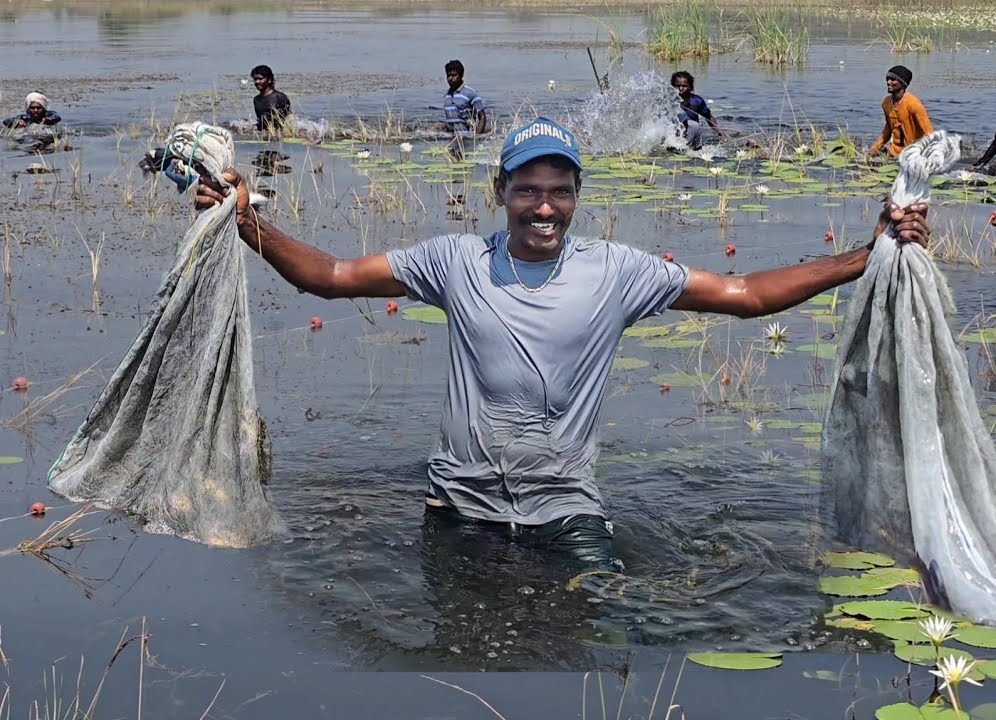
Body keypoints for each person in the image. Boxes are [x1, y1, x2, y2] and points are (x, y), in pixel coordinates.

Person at [194, 116, 930, 573]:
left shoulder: (616, 271)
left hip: (568, 510)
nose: (544, 207)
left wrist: (863, 257)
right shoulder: (454, 262)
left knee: (591, 626)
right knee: (460, 640)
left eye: (560, 190)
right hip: (458, 507)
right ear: (500, 190)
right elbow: (328, 276)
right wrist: (241, 218)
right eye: (528, 189)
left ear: (577, 195)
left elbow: (745, 297)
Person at [868, 66, 933, 158]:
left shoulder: (913, 104)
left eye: (893, 79)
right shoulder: (886, 103)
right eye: (887, 79)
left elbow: (929, 133)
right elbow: (888, 128)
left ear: (903, 83)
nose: (888, 82)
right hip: (894, 152)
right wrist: (873, 150)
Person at [670, 71, 723, 150]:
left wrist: (718, 132)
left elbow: (709, 118)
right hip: (673, 133)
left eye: (684, 86)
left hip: (693, 133)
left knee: (694, 126)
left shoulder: (697, 101)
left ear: (690, 87)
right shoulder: (668, 101)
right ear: (673, 87)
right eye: (678, 86)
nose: (680, 88)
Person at [442, 60, 488, 135]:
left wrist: (476, 136)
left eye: (454, 75)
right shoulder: (447, 96)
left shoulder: (470, 93)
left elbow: (482, 116)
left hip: (467, 139)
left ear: (461, 76)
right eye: (448, 75)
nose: (450, 78)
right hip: (452, 138)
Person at [251, 65, 292, 133]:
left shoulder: (280, 97)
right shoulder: (256, 100)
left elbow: (288, 119)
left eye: (260, 79)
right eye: (255, 79)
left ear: (269, 80)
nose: (257, 82)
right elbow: (261, 121)